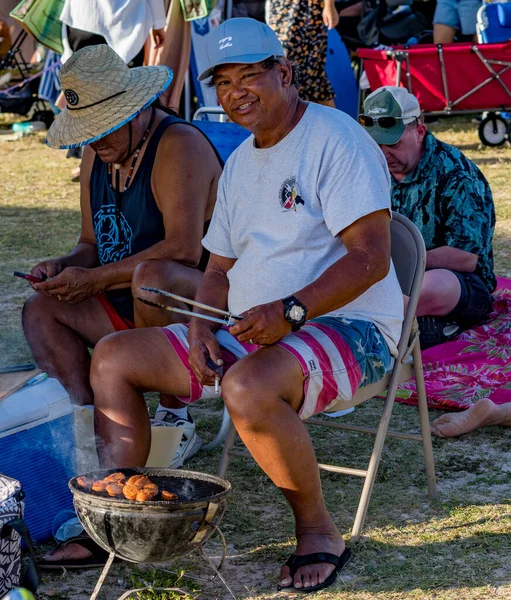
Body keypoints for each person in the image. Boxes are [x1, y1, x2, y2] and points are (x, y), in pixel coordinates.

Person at [90, 18, 404, 593]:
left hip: (351, 326)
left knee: (247, 386)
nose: (236, 92)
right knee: (114, 357)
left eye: (250, 76)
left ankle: (317, 531)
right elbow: (216, 269)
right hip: (260, 326)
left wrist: (291, 311)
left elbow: (372, 258)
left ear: (284, 73)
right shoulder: (241, 161)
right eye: (224, 81)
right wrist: (198, 330)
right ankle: (119, 508)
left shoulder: (337, 138)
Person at [23, 44, 222, 476]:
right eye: (89, 131)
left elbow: (183, 250)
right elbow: (89, 244)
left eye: (104, 128)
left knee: (151, 277)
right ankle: (89, 430)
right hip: (123, 300)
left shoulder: (178, 144)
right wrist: (63, 267)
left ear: (135, 111)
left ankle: (175, 416)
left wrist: (93, 280)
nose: (96, 140)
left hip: (198, 306)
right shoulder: (100, 150)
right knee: (41, 308)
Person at [360, 86, 503, 439]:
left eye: (392, 142)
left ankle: (377, 327)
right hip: (384, 277)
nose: (384, 153)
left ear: (419, 129)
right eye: (377, 143)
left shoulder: (456, 173)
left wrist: (396, 267)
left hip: (460, 286)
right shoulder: (371, 168)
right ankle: (402, 327)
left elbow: (466, 258)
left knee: (437, 282)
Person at [268, 0, 339, 106]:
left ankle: (336, 122)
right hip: (281, 9)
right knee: (282, 65)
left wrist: (329, 5)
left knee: (310, 72)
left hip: (306, 11)